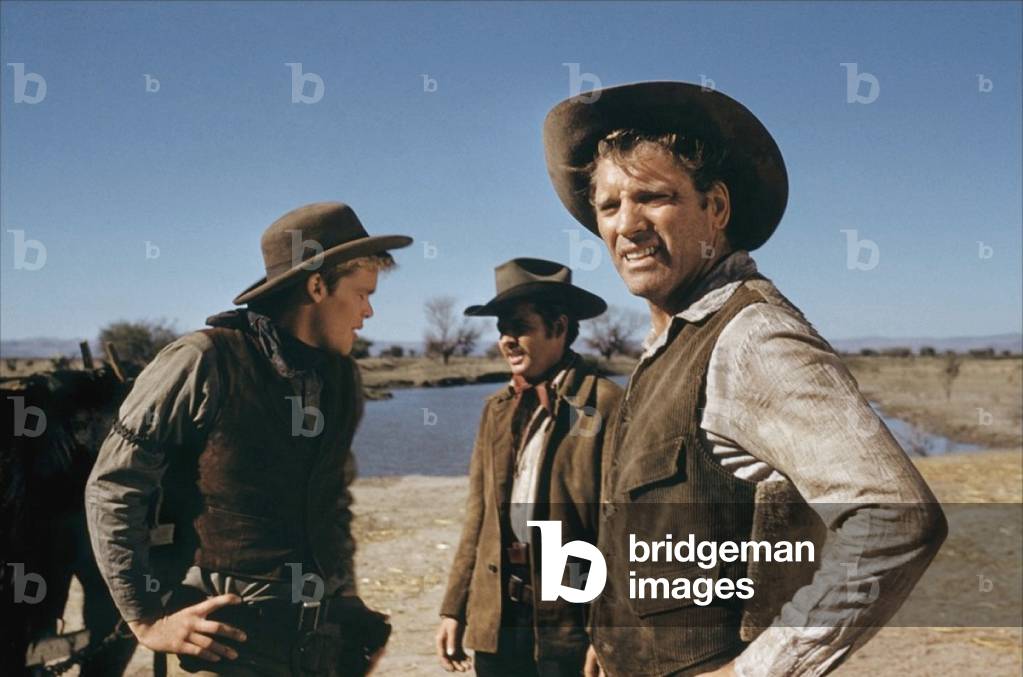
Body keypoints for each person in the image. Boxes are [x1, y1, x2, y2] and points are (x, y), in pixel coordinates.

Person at [542, 82, 948, 676]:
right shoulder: (668, 345)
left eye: (653, 197)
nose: (627, 225)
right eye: (609, 206)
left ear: (717, 208)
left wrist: (756, 671)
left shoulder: (751, 337)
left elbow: (896, 516)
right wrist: (611, 640)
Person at [85, 202, 411, 676]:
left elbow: (331, 502)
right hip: (226, 644)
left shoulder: (342, 379)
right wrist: (146, 618)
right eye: (362, 294)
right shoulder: (202, 361)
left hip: (316, 644)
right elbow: (114, 485)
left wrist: (347, 604)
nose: (369, 311)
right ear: (318, 286)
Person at [436, 258, 623, 677]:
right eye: (502, 329)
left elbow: (622, 527)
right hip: (497, 617)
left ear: (558, 327)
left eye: (519, 326)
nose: (506, 340)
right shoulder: (495, 410)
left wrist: (607, 631)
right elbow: (477, 517)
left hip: (569, 621)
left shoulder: (603, 405)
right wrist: (454, 608)